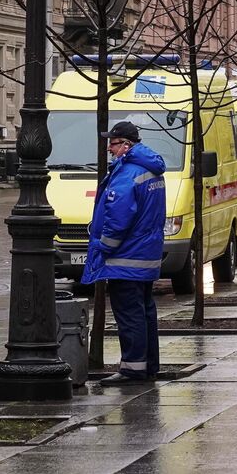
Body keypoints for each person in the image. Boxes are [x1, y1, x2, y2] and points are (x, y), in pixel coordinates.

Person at [82, 120, 167, 385]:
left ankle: (133, 369)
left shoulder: (128, 173)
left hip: (125, 259)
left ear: (127, 145)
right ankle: (148, 365)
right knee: (144, 313)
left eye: (114, 143)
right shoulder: (151, 169)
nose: (109, 148)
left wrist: (102, 247)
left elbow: (118, 217)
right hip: (145, 255)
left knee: (129, 315)